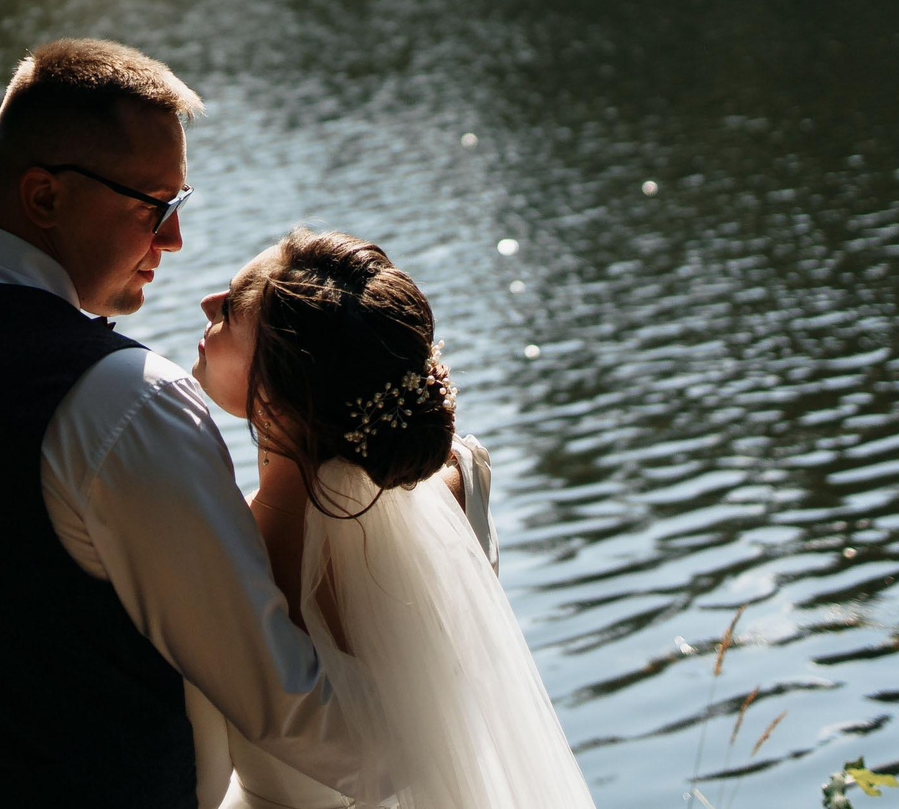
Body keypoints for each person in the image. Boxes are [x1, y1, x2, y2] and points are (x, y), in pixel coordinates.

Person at [0, 39, 379, 809]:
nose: (173, 240)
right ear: (45, 197)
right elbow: (291, 711)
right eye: (153, 207)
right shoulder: (131, 404)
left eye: (178, 207)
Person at [193, 228, 598, 809]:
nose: (207, 304)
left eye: (231, 309)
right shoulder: (463, 481)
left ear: (279, 396)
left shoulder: (227, 552)